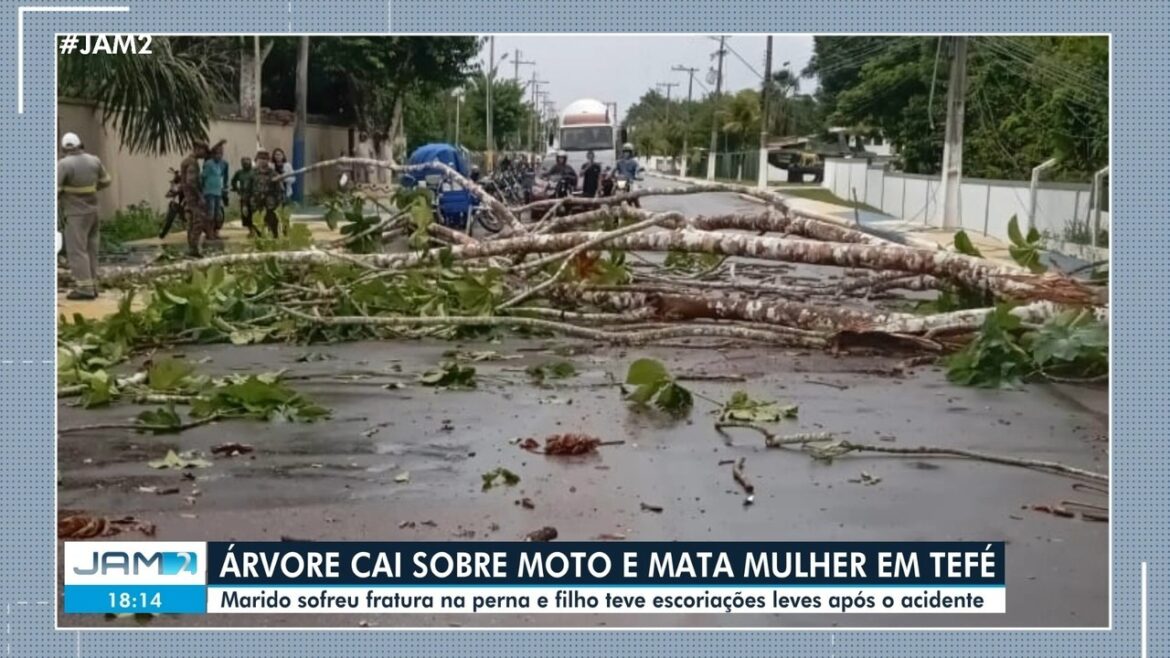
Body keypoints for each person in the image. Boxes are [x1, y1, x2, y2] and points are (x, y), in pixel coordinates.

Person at [57, 132, 112, 300]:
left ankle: (84, 288)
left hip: (75, 214)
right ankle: (93, 285)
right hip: (93, 211)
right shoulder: (94, 160)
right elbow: (106, 181)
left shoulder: (64, 164)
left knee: (77, 250)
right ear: (80, 144)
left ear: (63, 148)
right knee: (91, 249)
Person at [180, 140, 210, 257]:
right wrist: (200, 196)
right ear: (197, 149)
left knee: (191, 223)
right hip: (193, 198)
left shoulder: (186, 161)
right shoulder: (192, 163)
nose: (204, 153)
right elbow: (191, 181)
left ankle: (192, 248)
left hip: (188, 196)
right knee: (197, 222)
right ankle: (193, 249)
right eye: (203, 150)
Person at [251, 149, 284, 238]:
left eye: (265, 159)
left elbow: (279, 189)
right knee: (256, 220)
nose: (262, 161)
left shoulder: (273, 173)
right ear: (257, 160)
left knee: (271, 218)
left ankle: (274, 235)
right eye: (260, 159)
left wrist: (279, 200)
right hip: (256, 200)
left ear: (268, 160)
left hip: (269, 201)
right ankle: (259, 236)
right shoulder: (253, 173)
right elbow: (248, 187)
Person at [201, 140, 227, 239]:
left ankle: (214, 231)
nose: (220, 156)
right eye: (218, 154)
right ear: (213, 154)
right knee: (210, 213)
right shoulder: (208, 164)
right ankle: (209, 232)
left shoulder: (220, 164)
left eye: (221, 154)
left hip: (217, 192)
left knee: (217, 214)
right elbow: (203, 177)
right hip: (209, 192)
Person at [230, 156, 259, 237]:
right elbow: (233, 181)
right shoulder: (239, 172)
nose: (246, 163)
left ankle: (256, 231)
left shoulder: (254, 172)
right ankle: (251, 231)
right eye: (244, 162)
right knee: (246, 215)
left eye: (248, 161)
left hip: (254, 197)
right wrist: (237, 189)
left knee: (255, 214)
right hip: (244, 196)